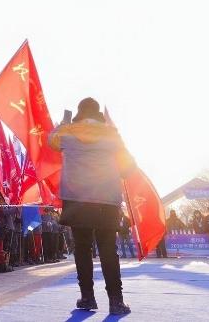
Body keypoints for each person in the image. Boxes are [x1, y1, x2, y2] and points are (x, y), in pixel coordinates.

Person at [50, 97, 135, 316]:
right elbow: (128, 168)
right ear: (98, 114)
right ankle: (116, 301)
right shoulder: (111, 134)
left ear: (79, 114)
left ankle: (87, 297)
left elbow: (51, 141)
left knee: (82, 248)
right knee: (108, 249)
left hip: (77, 199)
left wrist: (64, 122)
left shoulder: (67, 132)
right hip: (106, 200)